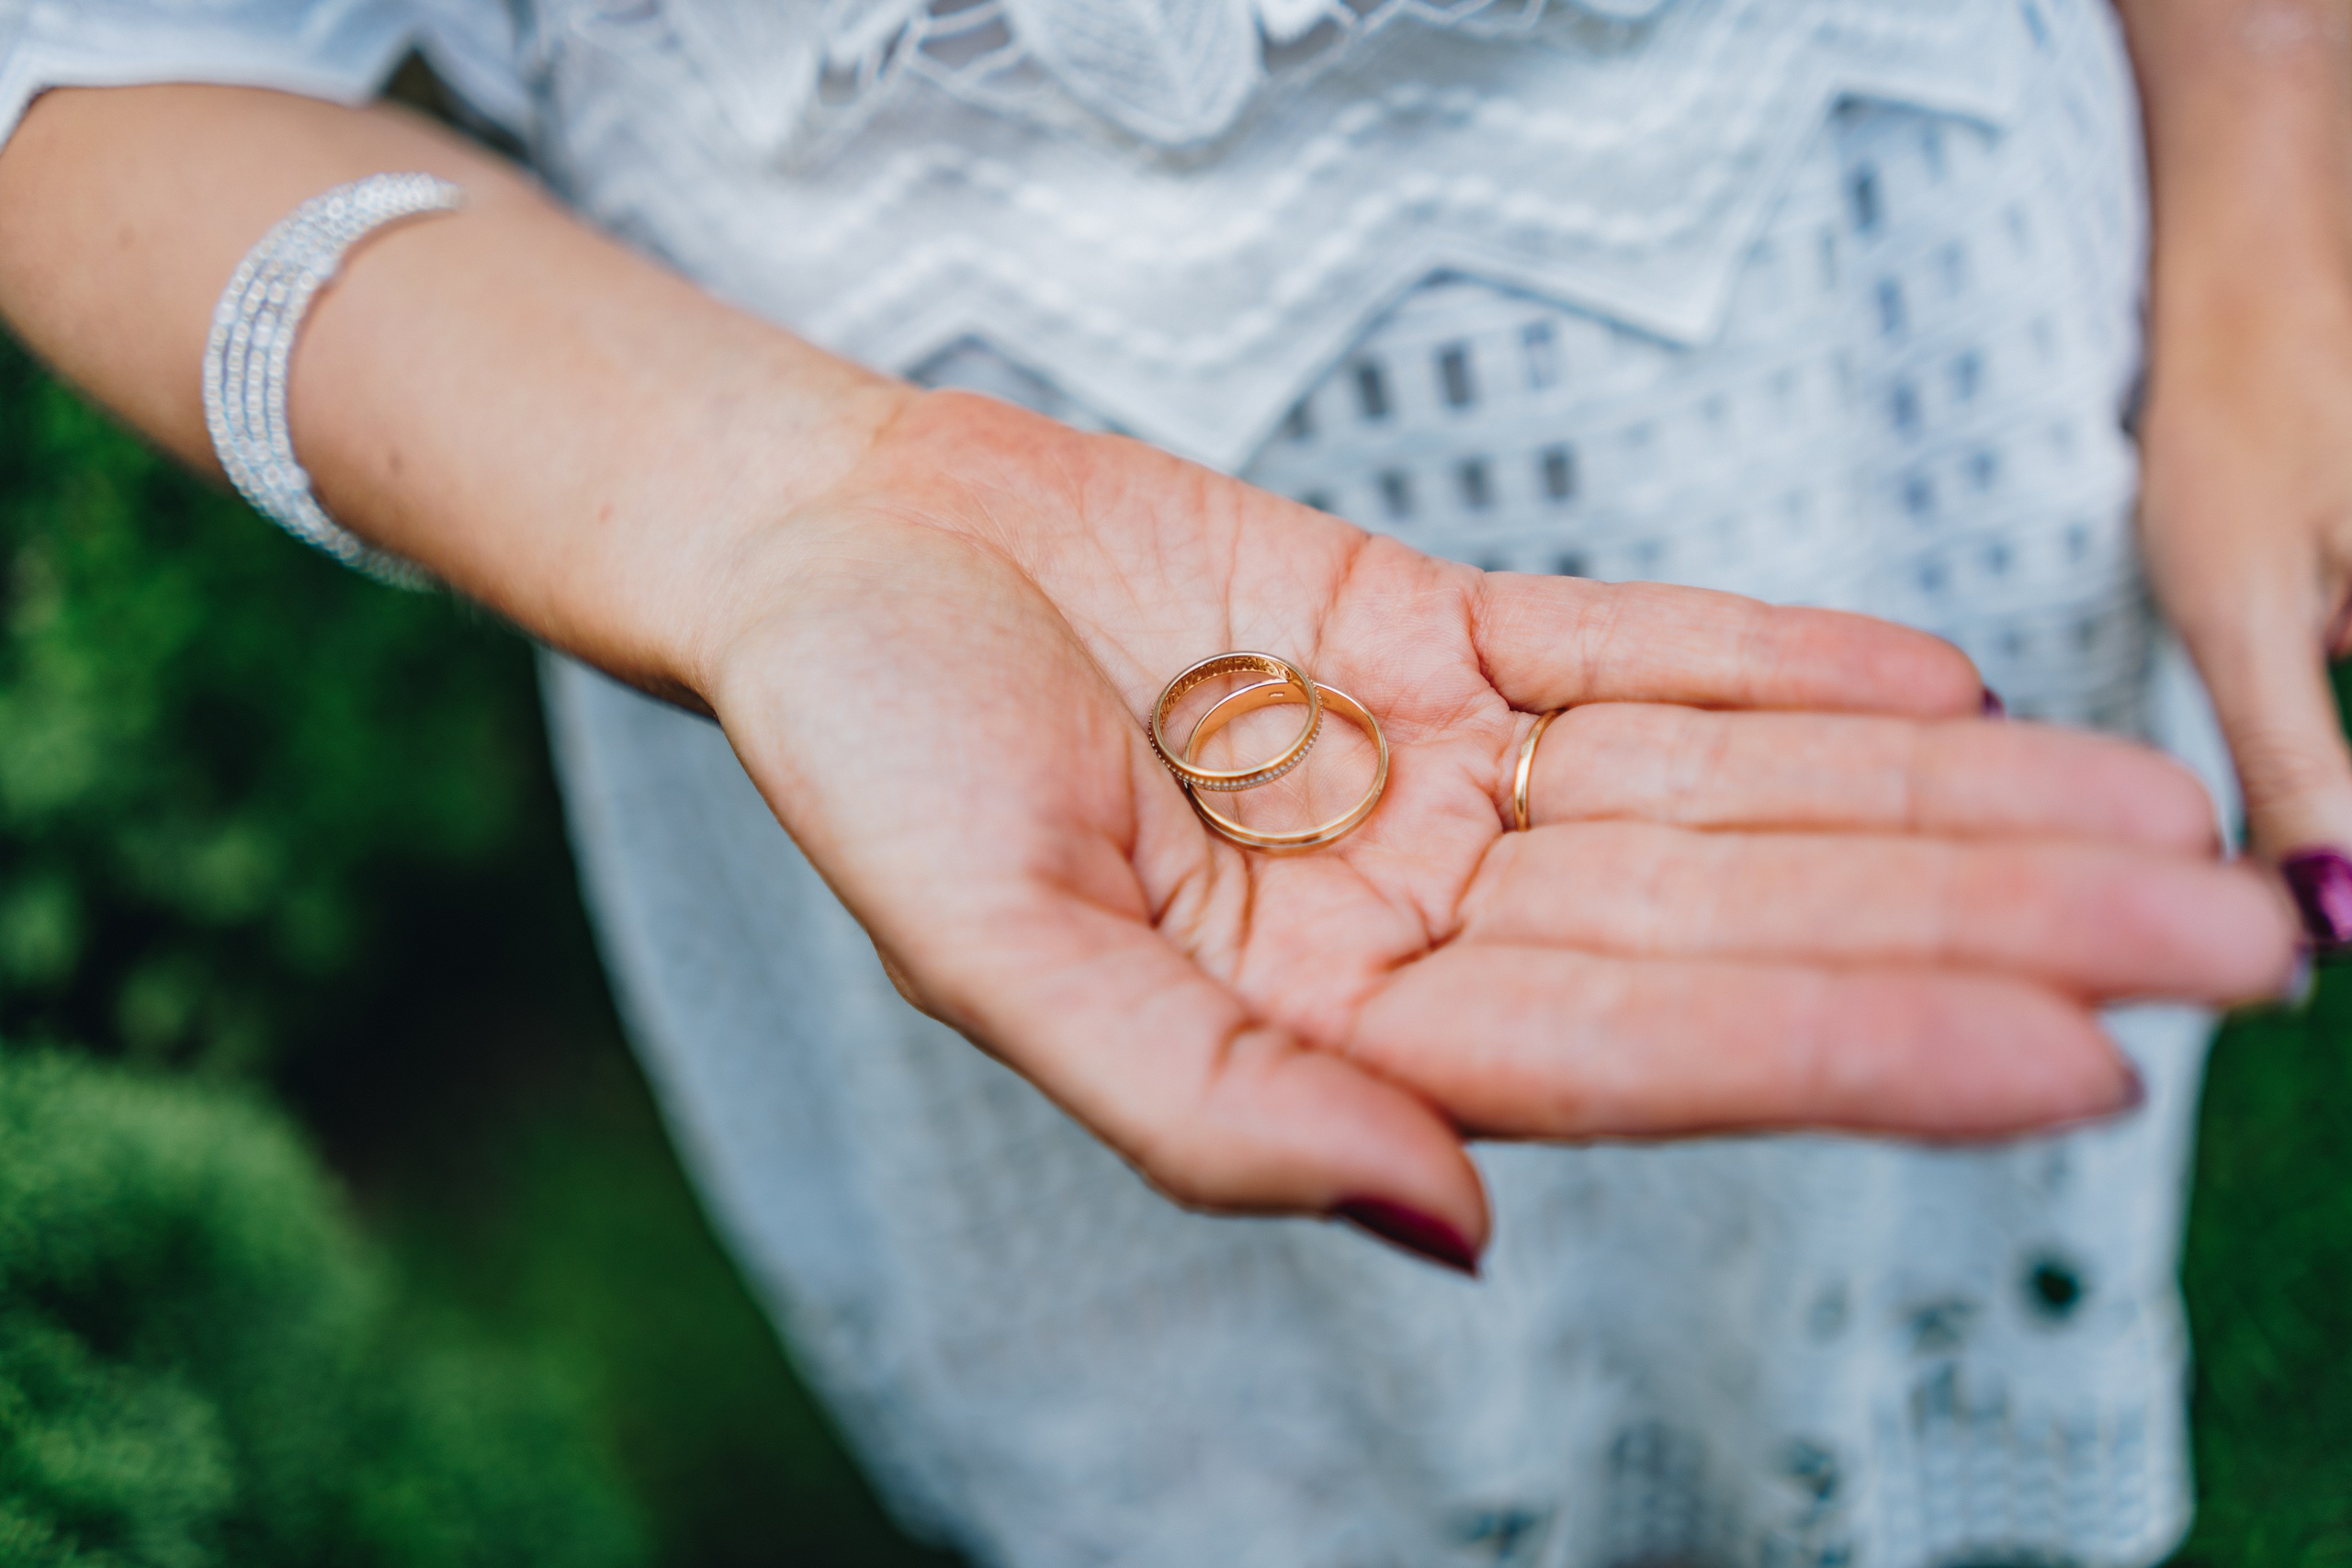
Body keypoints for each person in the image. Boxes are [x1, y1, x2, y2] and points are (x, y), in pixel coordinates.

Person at [0, 0, 2328, 1562]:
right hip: (934, 628)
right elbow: (98, 67)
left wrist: (2259, 190)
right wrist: (767, 518)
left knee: (1859, 1193)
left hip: (1862, 386)